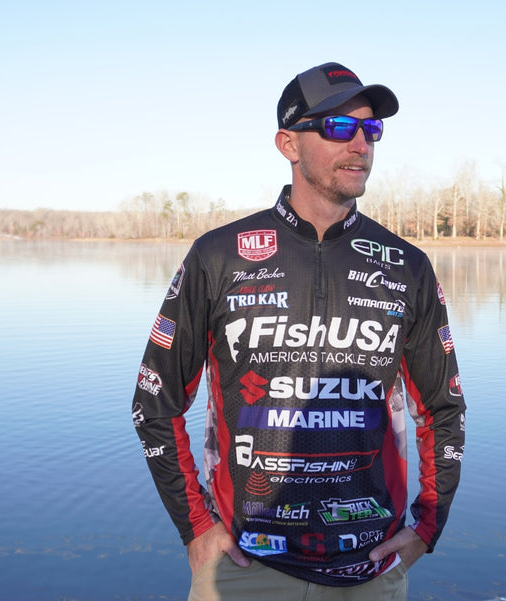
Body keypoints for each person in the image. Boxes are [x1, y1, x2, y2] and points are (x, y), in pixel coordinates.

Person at [131, 61, 466, 600]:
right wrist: (195, 526)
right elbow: (154, 401)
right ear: (288, 143)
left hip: (371, 569)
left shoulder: (406, 266)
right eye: (338, 127)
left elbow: (443, 409)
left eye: (370, 129)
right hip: (245, 568)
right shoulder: (219, 257)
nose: (360, 143)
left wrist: (427, 526)